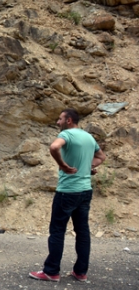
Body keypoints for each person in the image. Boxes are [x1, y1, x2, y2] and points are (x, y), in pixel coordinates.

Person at [29, 108, 106, 283]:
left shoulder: (68, 135)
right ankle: (81, 272)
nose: (58, 122)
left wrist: (62, 165)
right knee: (82, 232)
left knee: (57, 231)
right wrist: (88, 167)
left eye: (60, 119)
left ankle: (51, 271)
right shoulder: (89, 137)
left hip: (67, 191)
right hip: (85, 191)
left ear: (69, 120)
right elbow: (101, 156)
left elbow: (54, 147)